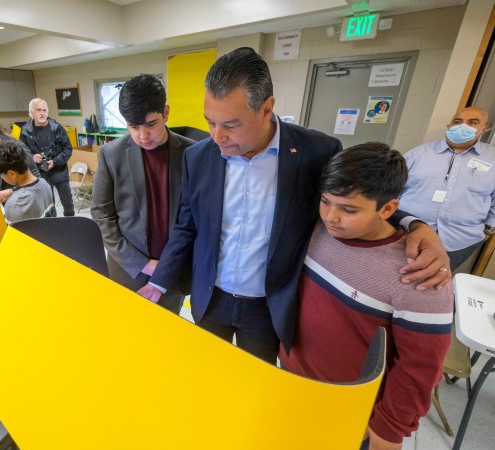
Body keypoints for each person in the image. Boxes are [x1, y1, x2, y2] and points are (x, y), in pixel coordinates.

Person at [137, 47, 450, 364]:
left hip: (270, 305)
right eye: (210, 123)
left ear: (266, 108)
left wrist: (415, 225)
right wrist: (159, 282)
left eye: (231, 125)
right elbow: (186, 226)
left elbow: (357, 198)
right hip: (210, 296)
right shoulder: (199, 156)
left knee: (258, 384)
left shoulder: (317, 151)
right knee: (206, 373)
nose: (217, 137)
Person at [279, 143, 452, 450]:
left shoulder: (419, 275)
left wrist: (389, 431)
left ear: (387, 209)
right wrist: (416, 222)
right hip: (291, 383)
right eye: (326, 201)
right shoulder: (316, 230)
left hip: (350, 409)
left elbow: (419, 368)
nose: (331, 217)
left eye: (348, 210)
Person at [91, 74, 196, 314]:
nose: (142, 135)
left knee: (165, 339)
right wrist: (143, 264)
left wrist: (166, 267)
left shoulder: (192, 153)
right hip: (127, 271)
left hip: (173, 274)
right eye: (133, 126)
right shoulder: (111, 154)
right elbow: (101, 215)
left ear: (166, 113)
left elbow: (195, 220)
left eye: (150, 124)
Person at [400, 106, 495, 271]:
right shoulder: (417, 154)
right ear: (449, 125)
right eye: (458, 121)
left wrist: (488, 230)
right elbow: (392, 189)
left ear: (484, 129)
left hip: (461, 241)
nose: (463, 126)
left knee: (437, 285)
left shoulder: (492, 159)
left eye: (473, 122)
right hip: (407, 233)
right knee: (399, 276)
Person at [19, 98, 75, 216]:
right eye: (38, 110)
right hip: (40, 176)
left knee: (68, 206)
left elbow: (68, 149)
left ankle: (71, 226)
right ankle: (54, 229)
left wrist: (55, 162)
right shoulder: (25, 131)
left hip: (60, 173)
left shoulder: (57, 128)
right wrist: (32, 157)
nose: (42, 113)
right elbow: (22, 153)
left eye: (44, 110)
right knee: (49, 208)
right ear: (32, 112)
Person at [0, 140, 54, 223]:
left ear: (12, 174)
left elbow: (12, 233)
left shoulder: (14, 205)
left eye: (1, 176)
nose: (2, 178)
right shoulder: (44, 183)